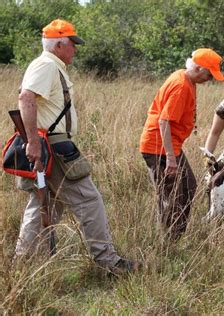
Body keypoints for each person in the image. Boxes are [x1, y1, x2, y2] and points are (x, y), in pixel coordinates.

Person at [15, 19, 137, 273]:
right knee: (90, 200)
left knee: (43, 204)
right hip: (53, 147)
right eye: (72, 44)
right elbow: (26, 97)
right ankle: (107, 262)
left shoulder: (51, 65)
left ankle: (23, 265)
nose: (75, 49)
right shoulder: (46, 65)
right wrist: (34, 143)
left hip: (49, 146)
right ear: (59, 44)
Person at [140, 48, 224, 240]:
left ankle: (174, 237)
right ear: (198, 68)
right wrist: (170, 158)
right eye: (209, 75)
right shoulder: (181, 86)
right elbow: (164, 121)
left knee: (186, 188)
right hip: (158, 148)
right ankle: (169, 242)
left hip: (169, 147)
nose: (209, 79)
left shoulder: (187, 79)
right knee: (174, 195)